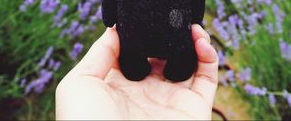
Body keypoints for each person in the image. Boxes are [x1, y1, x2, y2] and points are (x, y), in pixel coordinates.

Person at [56, 24, 219, 120]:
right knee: (131, 53)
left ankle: (178, 66)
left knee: (182, 46)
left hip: (172, 29)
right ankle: (135, 66)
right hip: (136, 40)